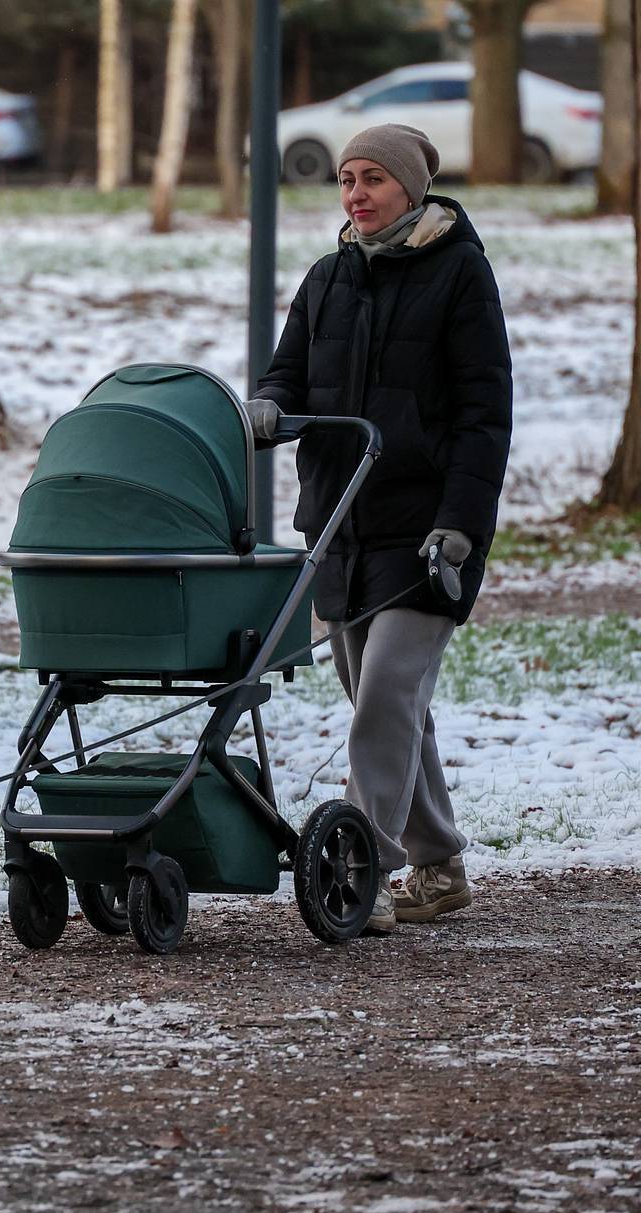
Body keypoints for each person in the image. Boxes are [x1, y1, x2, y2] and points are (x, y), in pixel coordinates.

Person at [245, 124, 512, 933]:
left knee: (387, 697)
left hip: (427, 531)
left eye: (373, 180)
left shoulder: (460, 273)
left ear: (411, 188)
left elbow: (483, 414)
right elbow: (286, 374)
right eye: (346, 179)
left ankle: (360, 869)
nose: (356, 193)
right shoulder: (328, 276)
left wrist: (461, 524)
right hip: (339, 524)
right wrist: (267, 409)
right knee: (387, 704)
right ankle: (439, 868)